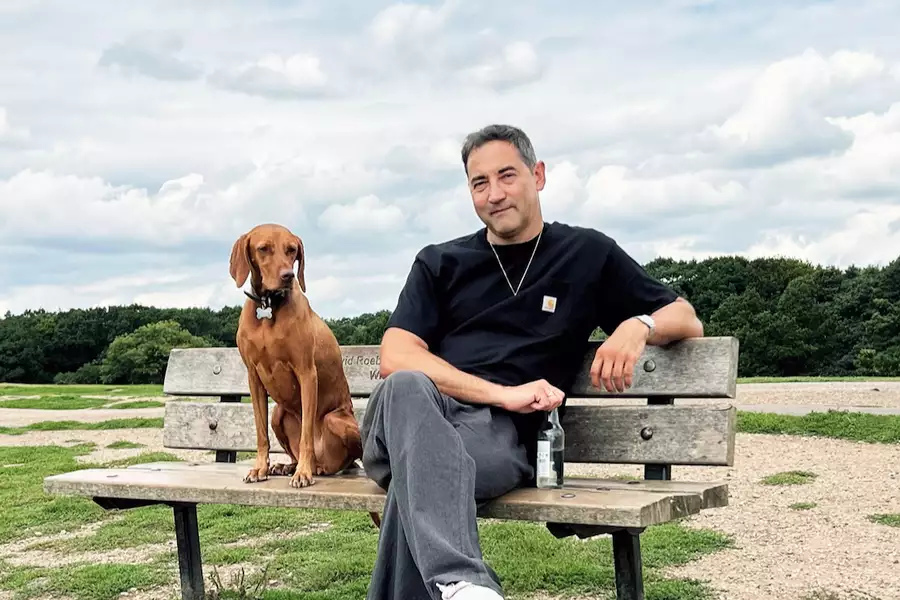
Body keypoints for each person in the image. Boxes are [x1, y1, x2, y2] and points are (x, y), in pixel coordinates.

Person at [359, 124, 704, 600]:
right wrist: (505, 394)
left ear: (537, 175)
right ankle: (460, 578)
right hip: (408, 420)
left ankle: (460, 589)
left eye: (507, 176)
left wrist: (637, 324)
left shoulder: (585, 255)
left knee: (419, 480)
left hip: (497, 442)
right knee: (405, 386)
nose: (494, 194)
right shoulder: (439, 262)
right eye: (480, 183)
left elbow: (686, 318)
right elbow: (396, 357)